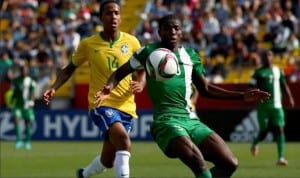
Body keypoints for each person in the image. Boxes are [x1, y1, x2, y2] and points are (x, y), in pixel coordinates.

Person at [94, 14, 270, 178]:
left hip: (190, 120)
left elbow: (206, 89)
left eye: (176, 28)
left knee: (230, 164)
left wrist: (241, 96)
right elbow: (119, 73)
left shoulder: (190, 55)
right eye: (167, 28)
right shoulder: (148, 52)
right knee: (199, 163)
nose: (172, 32)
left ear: (181, 31)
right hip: (166, 122)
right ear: (159, 32)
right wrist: (108, 86)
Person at [43, 1, 145, 178]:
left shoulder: (133, 42)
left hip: (127, 106)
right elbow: (68, 70)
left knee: (108, 160)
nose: (113, 16)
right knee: (123, 141)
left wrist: (141, 82)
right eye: (108, 13)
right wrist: (54, 88)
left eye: (116, 13)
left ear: (120, 17)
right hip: (101, 104)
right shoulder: (89, 44)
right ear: (100, 17)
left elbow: (141, 68)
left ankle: (83, 174)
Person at [249, 50, 295, 166]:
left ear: (272, 57)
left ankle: (281, 158)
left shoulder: (278, 71)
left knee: (280, 128)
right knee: (264, 131)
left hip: (277, 105)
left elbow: (284, 85)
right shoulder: (258, 72)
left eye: (269, 55)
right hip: (263, 106)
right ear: (263, 58)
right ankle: (255, 143)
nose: (267, 57)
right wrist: (254, 95)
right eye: (265, 55)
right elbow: (250, 87)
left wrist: (290, 98)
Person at [10, 65, 36, 150]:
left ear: (27, 71)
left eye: (25, 70)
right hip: (18, 104)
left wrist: (32, 101)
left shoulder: (31, 81)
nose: (24, 72)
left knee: (27, 122)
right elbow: (14, 93)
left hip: (27, 105)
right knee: (16, 119)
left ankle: (27, 142)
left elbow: (32, 92)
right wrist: (11, 102)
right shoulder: (15, 81)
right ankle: (18, 140)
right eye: (22, 70)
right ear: (20, 71)